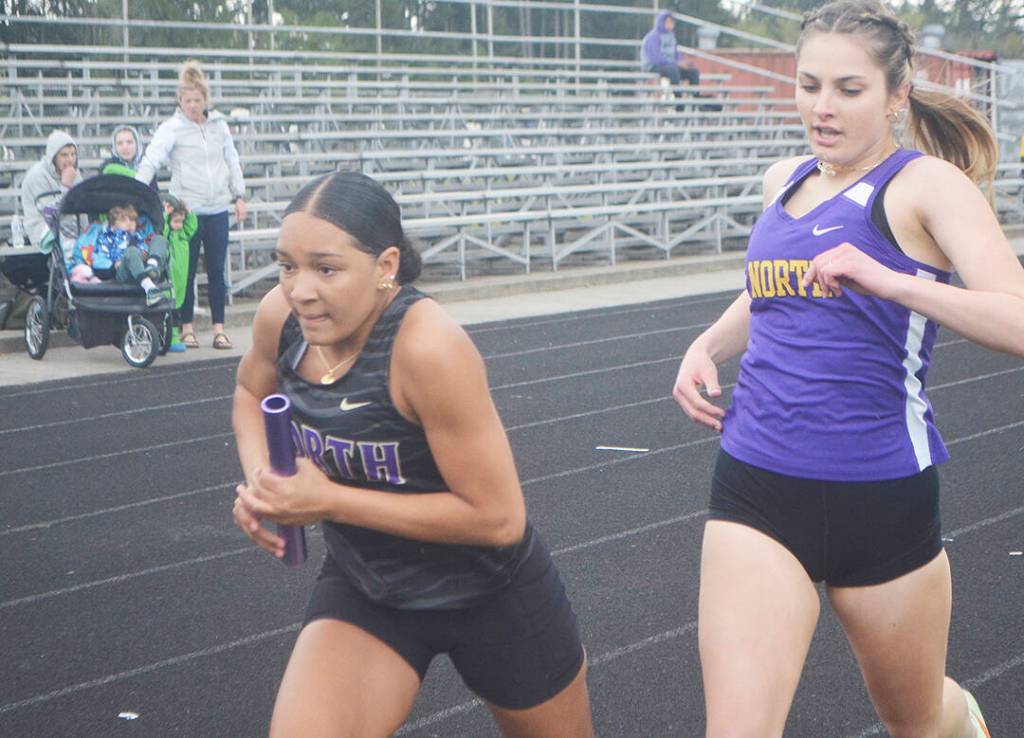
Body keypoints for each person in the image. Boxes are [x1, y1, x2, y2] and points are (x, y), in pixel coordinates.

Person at [671, 2, 1023, 737]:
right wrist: (707, 343)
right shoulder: (783, 179)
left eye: (848, 89)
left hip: (882, 497)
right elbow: (773, 287)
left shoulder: (927, 187)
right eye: (808, 85)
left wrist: (893, 279)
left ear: (897, 96)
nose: (821, 107)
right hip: (757, 487)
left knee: (920, 720)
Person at [231, 171, 594, 738]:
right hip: (368, 585)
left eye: (325, 269)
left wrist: (328, 499)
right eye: (287, 265)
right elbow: (252, 393)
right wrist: (265, 481)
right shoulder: (282, 319)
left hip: (491, 594)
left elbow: (498, 519)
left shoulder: (427, 348)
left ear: (386, 266)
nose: (300, 289)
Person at [136, 59, 246, 350]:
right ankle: (186, 327)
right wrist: (135, 189)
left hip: (218, 207)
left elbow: (231, 160)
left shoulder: (219, 126)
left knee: (216, 270)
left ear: (205, 100)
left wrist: (240, 195)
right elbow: (152, 158)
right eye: (187, 100)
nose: (193, 105)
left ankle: (219, 328)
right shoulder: (172, 128)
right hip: (187, 211)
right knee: (184, 269)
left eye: (197, 100)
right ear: (180, 101)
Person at [67, 203, 167, 306]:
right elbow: (98, 257)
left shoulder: (137, 235)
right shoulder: (106, 236)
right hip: (122, 272)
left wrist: (145, 254)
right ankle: (150, 288)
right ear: (114, 223)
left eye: (132, 220)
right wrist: (113, 264)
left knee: (159, 239)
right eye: (125, 220)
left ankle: (152, 267)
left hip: (142, 265)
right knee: (131, 251)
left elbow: (144, 244)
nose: (130, 224)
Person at [20, 130, 83, 250]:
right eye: (64, 155)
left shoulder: (74, 172)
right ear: (53, 156)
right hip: (42, 228)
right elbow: (49, 213)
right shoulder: (37, 175)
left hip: (70, 226)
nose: (70, 159)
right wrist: (66, 187)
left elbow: (81, 206)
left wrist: (86, 231)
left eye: (73, 154)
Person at [162, 195, 197, 353]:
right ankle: (171, 336)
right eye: (176, 221)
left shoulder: (183, 234)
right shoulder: (167, 236)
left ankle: (174, 334)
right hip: (169, 279)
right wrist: (164, 214)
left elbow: (192, 226)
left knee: (178, 306)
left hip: (181, 278)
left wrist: (190, 213)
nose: (179, 225)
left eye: (181, 221)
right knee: (169, 306)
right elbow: (162, 229)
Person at [641, 12, 702, 91]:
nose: (669, 24)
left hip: (671, 66)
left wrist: (681, 62)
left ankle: (695, 98)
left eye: (671, 22)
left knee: (693, 71)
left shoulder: (671, 36)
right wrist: (676, 63)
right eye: (667, 22)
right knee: (673, 70)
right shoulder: (653, 36)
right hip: (653, 66)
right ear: (661, 22)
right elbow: (656, 59)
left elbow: (676, 53)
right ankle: (678, 99)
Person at [100, 124, 157, 189]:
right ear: (114, 147)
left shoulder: (147, 166)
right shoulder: (108, 165)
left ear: (137, 144)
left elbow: (154, 193)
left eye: (129, 142)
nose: (125, 147)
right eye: (119, 143)